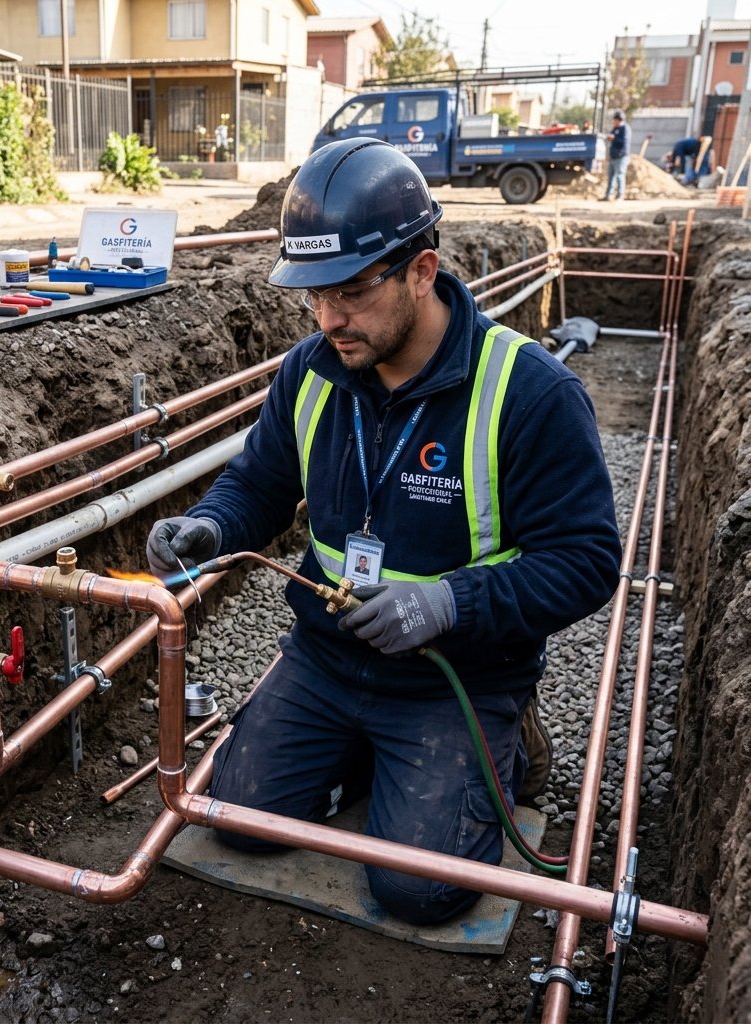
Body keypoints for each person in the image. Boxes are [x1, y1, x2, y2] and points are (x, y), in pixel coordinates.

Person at [146, 138, 621, 925]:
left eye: (352, 292)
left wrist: (448, 603)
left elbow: (586, 559)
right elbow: (262, 483)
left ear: (422, 271)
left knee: (418, 891)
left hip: (454, 677)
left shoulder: (529, 392)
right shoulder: (311, 370)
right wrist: (210, 525)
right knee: (241, 818)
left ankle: (501, 746)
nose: (329, 318)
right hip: (327, 661)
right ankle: (373, 762)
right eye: (314, 296)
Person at [601, 109, 631, 201]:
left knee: (620, 175)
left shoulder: (625, 129)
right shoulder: (615, 129)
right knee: (611, 176)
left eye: (615, 120)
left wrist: (614, 138)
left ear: (619, 120)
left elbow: (624, 142)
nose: (614, 122)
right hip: (613, 156)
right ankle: (608, 195)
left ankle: (620, 195)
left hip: (621, 156)